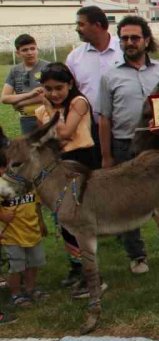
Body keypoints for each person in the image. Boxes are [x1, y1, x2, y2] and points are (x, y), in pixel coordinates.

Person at [98, 16, 159, 274]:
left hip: (157, 145)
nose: (129, 42)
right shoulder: (109, 76)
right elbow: (104, 118)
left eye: (134, 38)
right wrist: (106, 156)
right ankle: (137, 256)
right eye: (124, 38)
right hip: (124, 145)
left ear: (146, 40)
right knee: (127, 203)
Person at [35, 62, 102, 297]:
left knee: (80, 220)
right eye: (48, 88)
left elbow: (63, 133)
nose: (53, 94)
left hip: (81, 162)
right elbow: (46, 141)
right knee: (63, 220)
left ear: (70, 84)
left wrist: (47, 107)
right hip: (59, 165)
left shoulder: (78, 102)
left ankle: (93, 276)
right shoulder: (43, 111)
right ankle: (77, 266)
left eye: (59, 88)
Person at [65, 5, 123, 134]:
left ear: (97, 25)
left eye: (81, 24)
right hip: (89, 129)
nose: (77, 29)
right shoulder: (74, 58)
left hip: (124, 128)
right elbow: (70, 93)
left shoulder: (124, 50)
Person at [0, 147, 46, 309]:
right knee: (16, 266)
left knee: (34, 263)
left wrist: (41, 222)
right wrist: (3, 216)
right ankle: (16, 294)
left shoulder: (30, 183)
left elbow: (37, 203)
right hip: (12, 234)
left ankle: (31, 288)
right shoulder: (2, 184)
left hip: (32, 231)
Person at [2, 34, 50, 135]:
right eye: (25, 50)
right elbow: (5, 98)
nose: (30, 53)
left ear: (37, 49)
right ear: (18, 53)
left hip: (47, 116)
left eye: (32, 49)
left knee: (49, 148)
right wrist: (29, 94)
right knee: (29, 149)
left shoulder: (48, 67)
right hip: (26, 119)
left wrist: (21, 103)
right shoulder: (15, 71)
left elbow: (49, 95)